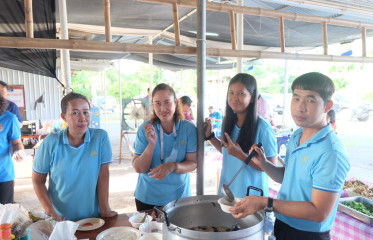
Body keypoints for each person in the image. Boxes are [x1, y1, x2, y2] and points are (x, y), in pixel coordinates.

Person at [231, 72, 350, 240]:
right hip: (284, 227)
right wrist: (265, 164)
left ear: (328, 106)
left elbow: (319, 212)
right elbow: (287, 176)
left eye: (310, 100)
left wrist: (266, 202)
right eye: (296, 98)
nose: (299, 107)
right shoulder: (298, 135)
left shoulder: (331, 152)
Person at [32, 92, 117, 221]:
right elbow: (38, 181)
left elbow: (103, 176)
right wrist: (51, 212)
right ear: (64, 116)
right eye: (75, 113)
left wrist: (104, 210)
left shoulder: (100, 138)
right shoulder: (51, 143)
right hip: (61, 219)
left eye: (86, 112)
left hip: (94, 217)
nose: (83, 118)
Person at [204, 73, 277, 198]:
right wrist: (210, 137)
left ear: (252, 97)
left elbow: (272, 169)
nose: (234, 98)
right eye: (231, 93)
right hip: (228, 191)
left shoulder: (263, 128)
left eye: (241, 93)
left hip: (251, 195)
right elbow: (228, 151)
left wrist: (241, 155)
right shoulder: (228, 122)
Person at [132, 83, 197, 211]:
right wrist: (151, 145)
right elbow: (139, 168)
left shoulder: (188, 128)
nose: (163, 108)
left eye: (167, 102)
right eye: (158, 103)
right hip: (147, 199)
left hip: (179, 199)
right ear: (152, 105)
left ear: (176, 102)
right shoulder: (145, 129)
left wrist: (173, 166)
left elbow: (193, 163)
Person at [0, 94, 25, 204]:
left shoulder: (9, 118)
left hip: (3, 175)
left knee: (4, 216)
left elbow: (16, 142)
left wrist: (19, 152)